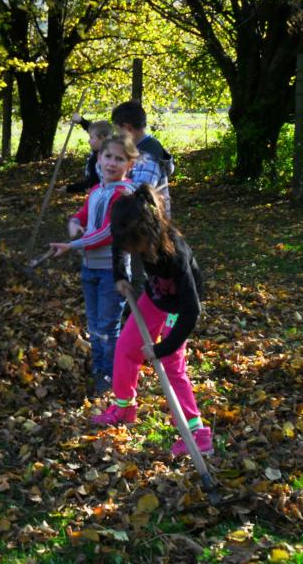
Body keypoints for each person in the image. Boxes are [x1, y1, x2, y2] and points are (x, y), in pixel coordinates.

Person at [92, 185, 211, 458]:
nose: (128, 248)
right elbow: (117, 244)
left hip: (179, 307)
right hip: (155, 297)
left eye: (132, 245)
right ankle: (124, 408)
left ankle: (197, 433)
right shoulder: (129, 229)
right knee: (126, 347)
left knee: (171, 364)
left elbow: (192, 310)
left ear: (146, 233)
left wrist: (161, 348)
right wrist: (120, 275)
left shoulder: (175, 256)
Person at [50, 134, 137, 394]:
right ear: (99, 158)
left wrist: (73, 245)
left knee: (107, 326)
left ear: (129, 164)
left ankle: (110, 375)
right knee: (94, 324)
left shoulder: (124, 194)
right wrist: (74, 222)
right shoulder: (97, 190)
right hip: (90, 268)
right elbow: (84, 213)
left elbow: (108, 233)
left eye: (119, 159)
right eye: (108, 156)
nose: (111, 163)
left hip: (112, 272)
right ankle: (100, 368)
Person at [111, 101, 175, 300]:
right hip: (135, 223)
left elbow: (140, 191)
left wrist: (115, 187)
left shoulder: (148, 155)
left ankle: (144, 311)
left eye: (117, 130)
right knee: (133, 267)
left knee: (144, 273)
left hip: (146, 225)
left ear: (127, 128)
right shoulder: (136, 150)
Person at [58, 115, 113, 194]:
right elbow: (95, 131)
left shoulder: (100, 161)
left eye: (91, 137)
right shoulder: (101, 148)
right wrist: (81, 121)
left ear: (102, 138)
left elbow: (91, 183)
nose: (88, 141)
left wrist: (69, 189)